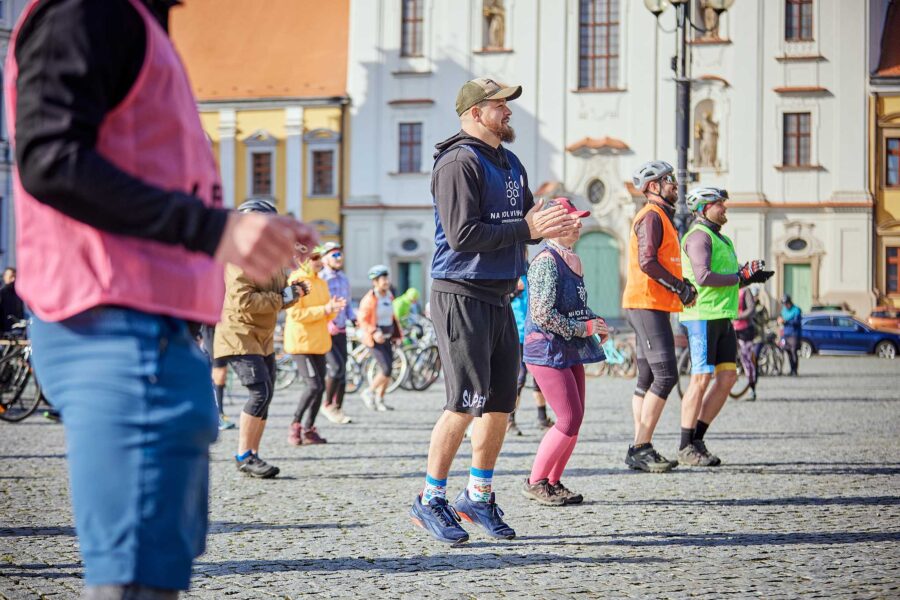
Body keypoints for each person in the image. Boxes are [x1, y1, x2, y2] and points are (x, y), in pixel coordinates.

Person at [6, 0, 317, 596]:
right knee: (136, 579)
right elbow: (50, 158)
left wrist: (233, 230)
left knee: (159, 567)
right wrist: (213, 229)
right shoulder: (89, 11)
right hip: (118, 323)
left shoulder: (138, 17)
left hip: (154, 328)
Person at [409, 77, 579, 545]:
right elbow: (463, 234)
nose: (508, 112)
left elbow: (524, 226)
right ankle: (430, 498)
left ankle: (478, 496)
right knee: (464, 402)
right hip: (459, 291)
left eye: (507, 105)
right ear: (475, 112)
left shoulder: (511, 162)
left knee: (501, 405)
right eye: (499, 105)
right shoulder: (457, 162)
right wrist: (524, 226)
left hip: (501, 293)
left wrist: (549, 223)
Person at [521, 198, 608, 506]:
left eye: (579, 218)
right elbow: (543, 314)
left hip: (568, 347)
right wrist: (583, 329)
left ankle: (553, 481)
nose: (579, 223)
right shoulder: (545, 261)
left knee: (576, 418)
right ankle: (535, 481)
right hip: (545, 349)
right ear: (554, 225)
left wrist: (594, 322)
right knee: (567, 418)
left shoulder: (573, 258)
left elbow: (575, 308)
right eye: (572, 219)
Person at [215, 199, 311, 478]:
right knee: (259, 391)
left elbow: (280, 298)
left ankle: (252, 454)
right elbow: (245, 301)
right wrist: (286, 296)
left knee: (266, 394)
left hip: (262, 336)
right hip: (240, 334)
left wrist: (295, 292)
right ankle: (244, 455)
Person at [678, 186, 766, 467]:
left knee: (727, 379)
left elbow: (730, 276)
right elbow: (703, 276)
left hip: (723, 316)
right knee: (700, 380)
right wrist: (738, 275)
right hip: (701, 316)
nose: (725, 208)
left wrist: (750, 277)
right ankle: (684, 446)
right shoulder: (698, 237)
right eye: (719, 204)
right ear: (704, 209)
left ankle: (698, 439)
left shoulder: (722, 239)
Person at [621, 160, 697, 473]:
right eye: (670, 181)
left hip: (649, 303)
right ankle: (640, 446)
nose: (675, 186)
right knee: (666, 376)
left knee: (648, 377)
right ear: (654, 186)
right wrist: (680, 287)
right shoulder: (651, 216)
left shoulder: (659, 216)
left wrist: (682, 285)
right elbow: (649, 262)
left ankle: (642, 443)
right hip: (647, 303)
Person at [284, 246, 347, 445]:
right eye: (314, 258)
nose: (319, 261)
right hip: (301, 343)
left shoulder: (321, 282)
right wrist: (325, 309)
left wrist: (333, 309)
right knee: (314, 386)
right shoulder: (294, 280)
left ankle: (309, 429)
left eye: (320, 257)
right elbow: (294, 313)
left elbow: (325, 314)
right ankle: (295, 424)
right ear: (303, 260)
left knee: (319, 388)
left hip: (319, 342)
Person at [508, 272, 554, 436]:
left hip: (534, 334)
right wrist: (513, 290)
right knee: (519, 377)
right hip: (517, 334)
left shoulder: (531, 276)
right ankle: (510, 420)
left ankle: (542, 417)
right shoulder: (509, 275)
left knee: (538, 377)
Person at [319, 242, 356, 424]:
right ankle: (327, 404)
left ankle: (338, 408)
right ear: (324, 258)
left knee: (343, 370)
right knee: (336, 367)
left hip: (341, 329)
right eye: (334, 255)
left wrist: (354, 319)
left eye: (340, 254)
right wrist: (327, 321)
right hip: (326, 332)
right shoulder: (321, 278)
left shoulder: (343, 278)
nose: (339, 257)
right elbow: (318, 305)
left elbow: (347, 304)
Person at [357, 264, 402, 411]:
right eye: (382, 279)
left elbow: (392, 317)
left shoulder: (389, 295)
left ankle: (380, 399)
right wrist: (374, 331)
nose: (386, 281)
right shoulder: (370, 298)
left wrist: (397, 334)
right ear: (375, 282)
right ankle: (368, 392)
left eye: (387, 278)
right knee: (386, 369)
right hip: (374, 339)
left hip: (388, 337)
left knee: (389, 371)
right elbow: (362, 320)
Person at [200, 324, 235, 430]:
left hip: (223, 329)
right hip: (209, 329)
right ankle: (217, 415)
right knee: (219, 372)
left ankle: (217, 414)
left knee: (220, 373)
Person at [733, 286, 758, 401]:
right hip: (731, 328)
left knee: (746, 360)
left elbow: (752, 309)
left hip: (745, 330)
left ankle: (752, 388)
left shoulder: (745, 291)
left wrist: (739, 316)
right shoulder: (728, 288)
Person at [779, 294, 802, 376]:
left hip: (794, 334)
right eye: (784, 304)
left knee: (793, 352)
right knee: (788, 352)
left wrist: (786, 322)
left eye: (786, 303)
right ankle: (791, 369)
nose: (785, 305)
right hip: (786, 334)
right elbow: (781, 318)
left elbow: (797, 322)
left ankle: (795, 370)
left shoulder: (796, 310)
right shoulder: (784, 310)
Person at [0, 266, 25, 332]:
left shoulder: (20, 292)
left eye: (6, 275)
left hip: (11, 328)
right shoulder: (3, 292)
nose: (4, 277)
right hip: (13, 327)